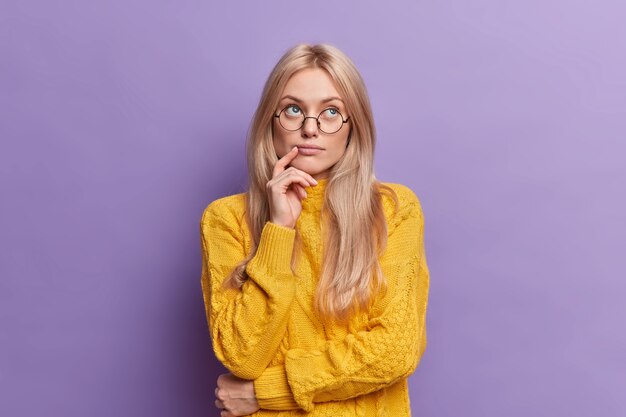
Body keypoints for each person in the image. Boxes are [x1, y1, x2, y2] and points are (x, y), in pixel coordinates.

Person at [199, 43, 430, 417]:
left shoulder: (393, 210)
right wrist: (279, 229)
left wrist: (265, 393)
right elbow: (241, 356)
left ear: (353, 127)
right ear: (269, 122)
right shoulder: (226, 219)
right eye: (293, 109)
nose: (309, 129)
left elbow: (395, 349)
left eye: (331, 112)